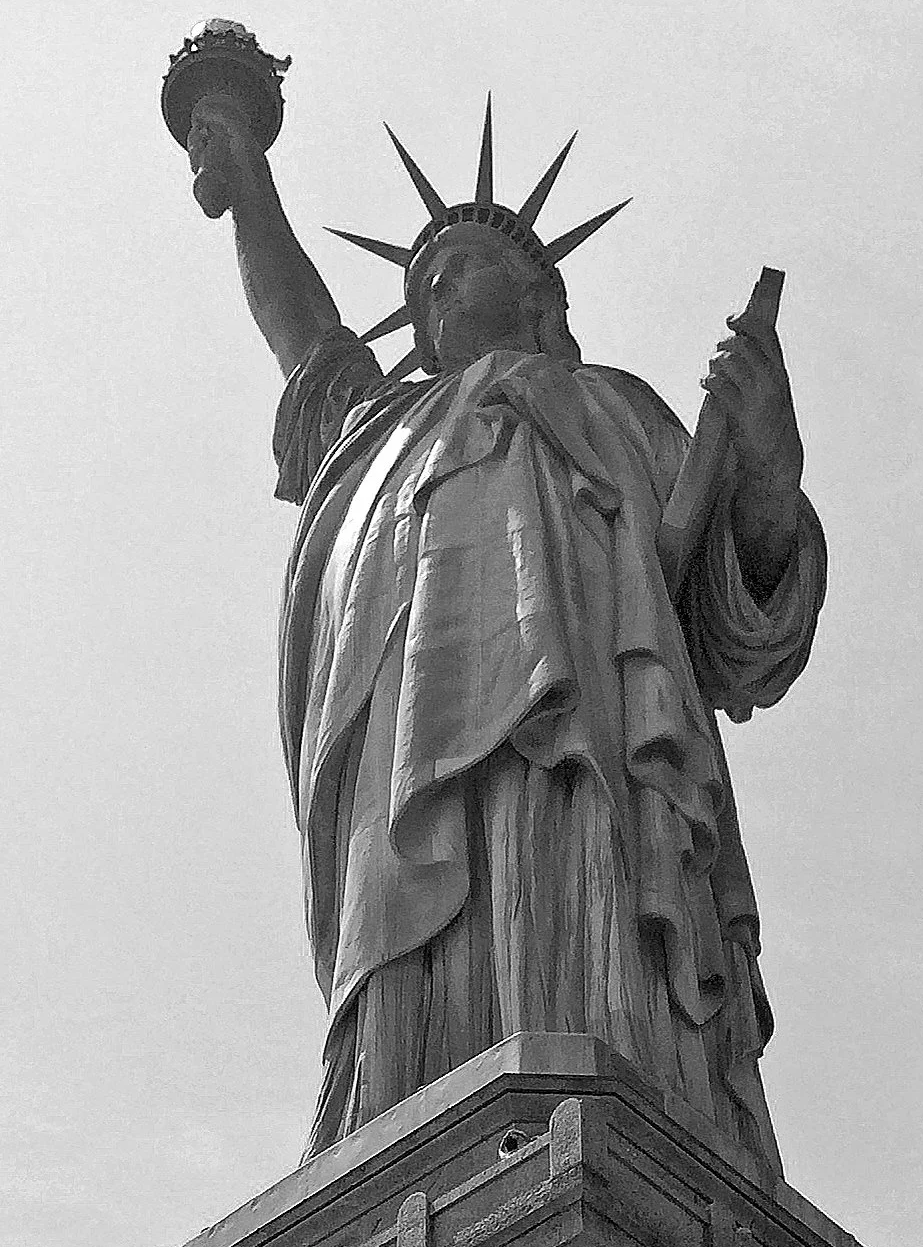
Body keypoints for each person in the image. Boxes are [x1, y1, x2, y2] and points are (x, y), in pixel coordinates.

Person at [183, 85, 827, 1170]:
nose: (432, 295)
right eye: (419, 287)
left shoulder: (616, 407)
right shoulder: (378, 428)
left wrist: (767, 462)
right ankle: (400, 1125)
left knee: (574, 907)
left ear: (539, 297)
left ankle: (615, 1080)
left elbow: (737, 618)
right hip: (402, 763)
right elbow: (305, 339)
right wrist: (245, 176)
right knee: (414, 962)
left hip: (592, 747)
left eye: (459, 268)